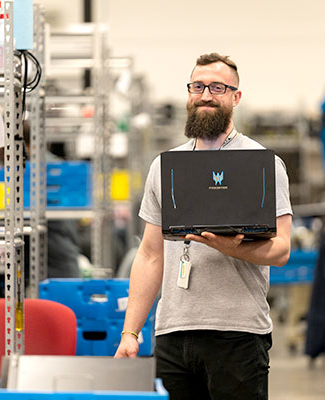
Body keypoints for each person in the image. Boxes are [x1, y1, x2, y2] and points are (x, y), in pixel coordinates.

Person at [115, 52, 293, 400]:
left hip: (238, 335)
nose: (206, 95)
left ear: (235, 96)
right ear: (189, 93)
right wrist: (131, 333)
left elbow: (283, 249)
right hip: (173, 333)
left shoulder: (263, 166)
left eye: (217, 87)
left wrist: (234, 249)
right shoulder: (165, 168)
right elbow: (151, 255)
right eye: (198, 86)